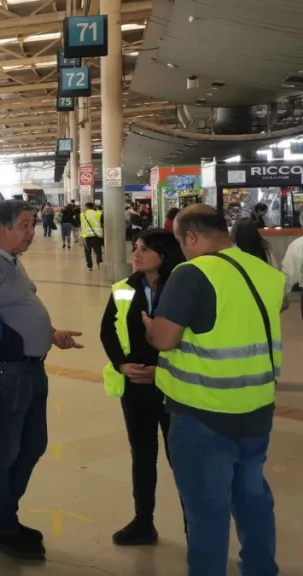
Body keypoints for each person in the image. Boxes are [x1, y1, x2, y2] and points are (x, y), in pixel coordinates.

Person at [143, 204, 289, 576]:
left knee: (207, 512)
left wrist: (149, 323)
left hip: (202, 412)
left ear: (191, 236)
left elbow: (164, 338)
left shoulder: (192, 273)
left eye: (181, 242)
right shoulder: (265, 272)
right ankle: (260, 569)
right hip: (256, 407)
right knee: (252, 496)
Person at [0, 199, 84, 560]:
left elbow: (16, 311)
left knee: (33, 444)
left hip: (28, 368)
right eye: (25, 225)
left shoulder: (8, 260)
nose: (32, 232)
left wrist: (50, 333)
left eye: (32, 224)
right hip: (7, 371)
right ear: (1, 226)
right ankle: (3, 527)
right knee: (3, 451)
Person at [99, 230, 187, 546]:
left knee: (182, 459)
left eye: (145, 248)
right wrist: (122, 365)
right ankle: (143, 522)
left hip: (175, 386)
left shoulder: (182, 287)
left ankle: (195, 527)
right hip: (136, 387)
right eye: (135, 247)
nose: (136, 253)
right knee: (143, 454)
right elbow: (108, 331)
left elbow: (192, 337)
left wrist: (161, 370)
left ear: (163, 254)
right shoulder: (124, 289)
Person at [80, 201, 104, 271]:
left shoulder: (82, 214)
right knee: (98, 252)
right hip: (96, 236)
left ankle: (89, 267)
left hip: (86, 236)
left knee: (88, 252)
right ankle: (100, 265)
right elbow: (102, 222)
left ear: (86, 207)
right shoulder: (99, 213)